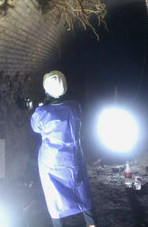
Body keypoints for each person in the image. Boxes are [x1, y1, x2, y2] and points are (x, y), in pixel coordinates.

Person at [30, 70, 97, 227]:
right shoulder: (75, 106)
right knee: (81, 191)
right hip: (73, 158)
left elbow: (36, 128)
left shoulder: (42, 112)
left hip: (51, 162)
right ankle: (92, 223)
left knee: (55, 198)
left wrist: (41, 106)